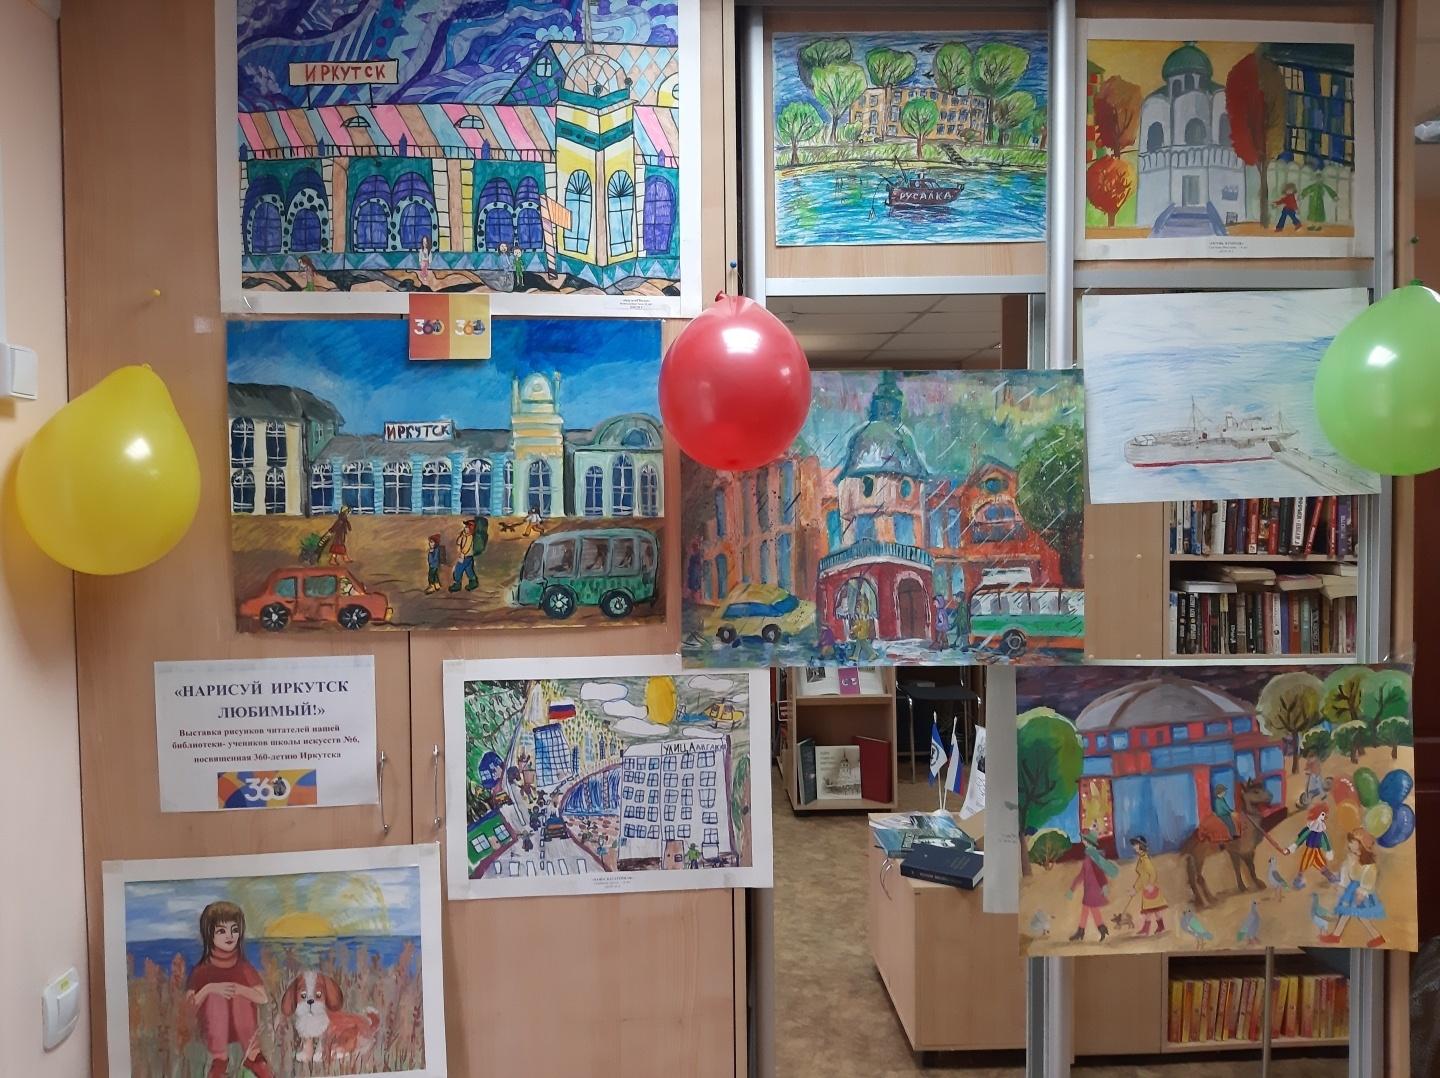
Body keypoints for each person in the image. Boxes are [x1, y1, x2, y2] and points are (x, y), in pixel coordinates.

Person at [186, 901, 275, 1078]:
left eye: (234, 930)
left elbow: (262, 997)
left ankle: (253, 1055)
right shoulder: (202, 970)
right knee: (215, 997)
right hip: (213, 1029)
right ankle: (220, 1060)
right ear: (209, 934)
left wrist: (239, 989)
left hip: (243, 1029)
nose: (230, 935)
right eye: (222, 931)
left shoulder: (243, 967)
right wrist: (210, 988)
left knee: (240, 995)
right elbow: (189, 1005)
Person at [1321, 828, 1387, 947]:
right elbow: (1347, 874)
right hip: (1352, 889)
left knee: (1355, 914)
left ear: (1361, 844)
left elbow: (1369, 880)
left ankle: (1337, 936)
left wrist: (1361, 893)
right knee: (1352, 914)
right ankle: (1337, 935)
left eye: (1352, 842)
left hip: (1361, 892)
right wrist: (1341, 884)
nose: (1349, 845)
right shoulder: (1352, 858)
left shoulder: (1369, 864)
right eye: (1350, 842)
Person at [1067, 829, 1118, 941]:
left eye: (1084, 839)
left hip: (1094, 888)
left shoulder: (1093, 855)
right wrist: (1072, 888)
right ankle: (1099, 929)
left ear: (1088, 841)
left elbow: (1099, 872)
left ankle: (1082, 931)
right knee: (1091, 909)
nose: (1082, 841)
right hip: (1089, 887)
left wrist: (1104, 885)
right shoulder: (1089, 854)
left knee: (1088, 908)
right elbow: (1082, 874)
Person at [1283, 803, 1339, 885]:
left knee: (1318, 861)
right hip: (1310, 849)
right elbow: (1301, 839)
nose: (1325, 817)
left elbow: (1325, 841)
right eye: (1323, 814)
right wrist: (1290, 849)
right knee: (1308, 860)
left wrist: (1328, 850)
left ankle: (1327, 875)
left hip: (1316, 849)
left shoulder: (1321, 830)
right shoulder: (1309, 829)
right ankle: (1300, 877)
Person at [1129, 835, 1168, 937]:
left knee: (1149, 911)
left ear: (1141, 846)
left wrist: (1150, 885)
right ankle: (1160, 927)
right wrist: (1135, 889)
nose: (1134, 846)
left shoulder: (1145, 859)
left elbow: (1153, 873)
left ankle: (1147, 930)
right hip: (1147, 889)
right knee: (1154, 910)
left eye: (1136, 844)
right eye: (1133, 844)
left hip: (1151, 890)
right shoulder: (1142, 858)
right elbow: (1142, 877)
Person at [449, 518, 479, 592]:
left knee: (458, 570)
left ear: (471, 529)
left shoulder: (470, 537)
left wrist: (462, 554)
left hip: (465, 556)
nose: (465, 528)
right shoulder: (464, 535)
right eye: (465, 527)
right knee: (469, 570)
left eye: (467, 527)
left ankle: (457, 584)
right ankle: (473, 582)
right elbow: (458, 542)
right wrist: (461, 536)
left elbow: (466, 547)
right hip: (468, 557)